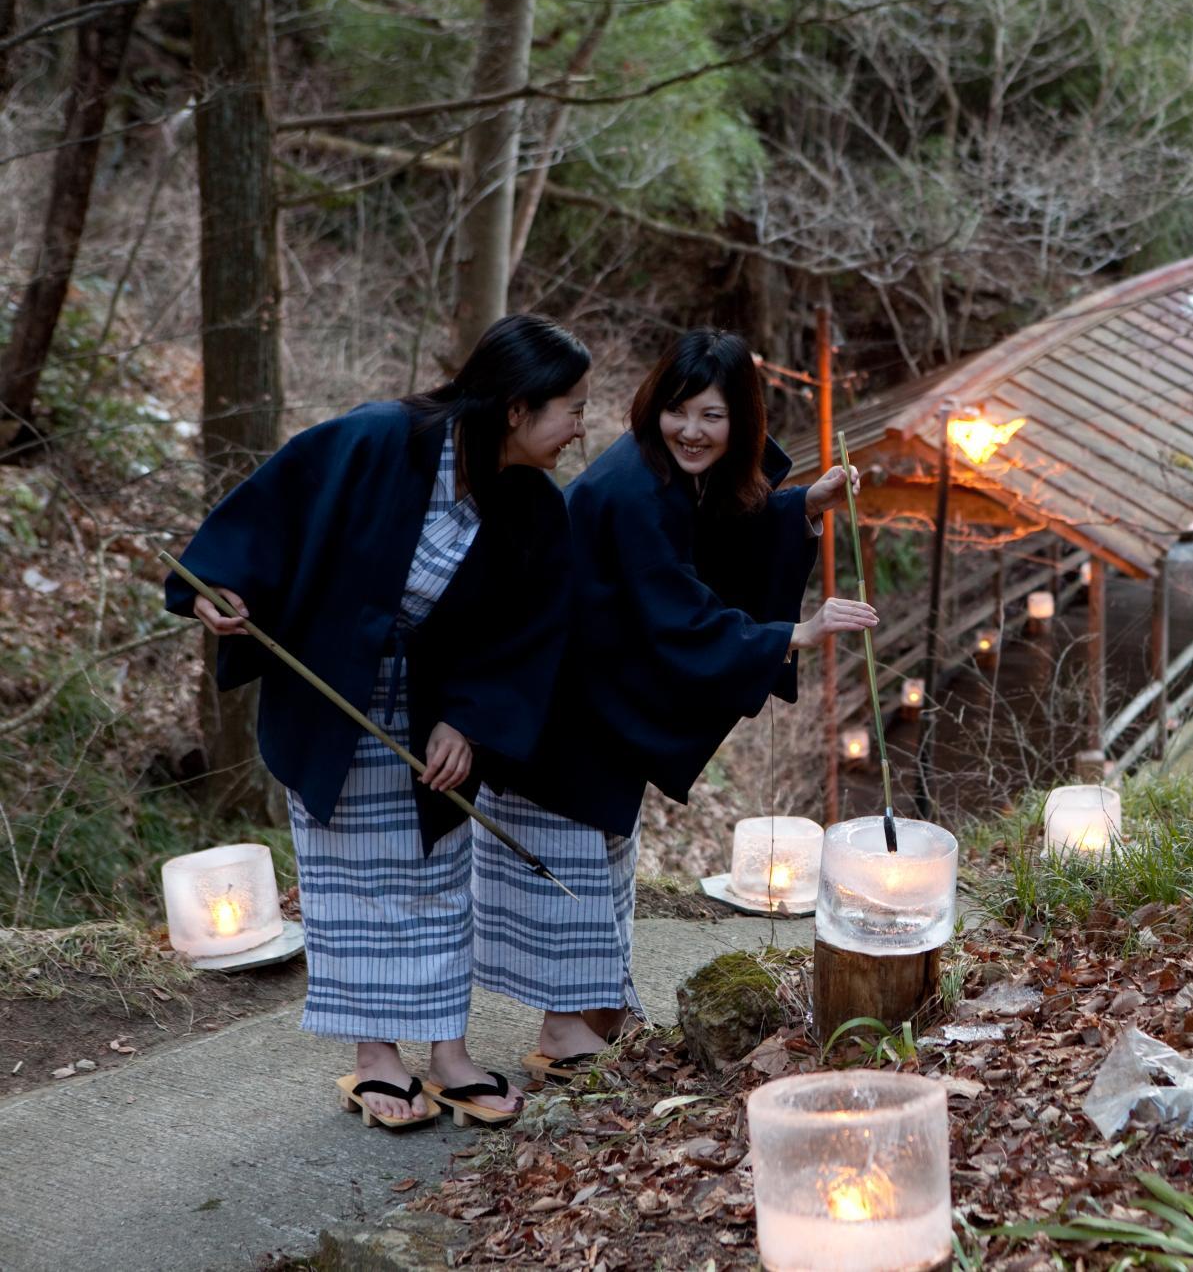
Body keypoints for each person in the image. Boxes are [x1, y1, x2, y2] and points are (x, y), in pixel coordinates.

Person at [165, 314, 591, 1128]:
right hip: (334, 690)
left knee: (438, 870)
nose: (579, 427)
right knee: (349, 880)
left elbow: (533, 633)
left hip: (436, 708)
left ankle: (448, 1051)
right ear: (515, 408)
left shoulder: (532, 505)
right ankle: (374, 1058)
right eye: (569, 408)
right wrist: (217, 591)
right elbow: (270, 512)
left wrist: (469, 722)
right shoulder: (379, 438)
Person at [477, 328, 875, 1082]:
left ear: (742, 423)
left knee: (606, 858)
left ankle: (601, 1016)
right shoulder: (631, 488)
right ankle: (566, 1033)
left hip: (593, 702)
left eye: (713, 416)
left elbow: (722, 529)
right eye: (679, 410)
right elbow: (677, 612)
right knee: (571, 865)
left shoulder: (673, 475)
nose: (692, 430)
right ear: (655, 405)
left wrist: (799, 510)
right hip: (555, 704)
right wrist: (794, 630)